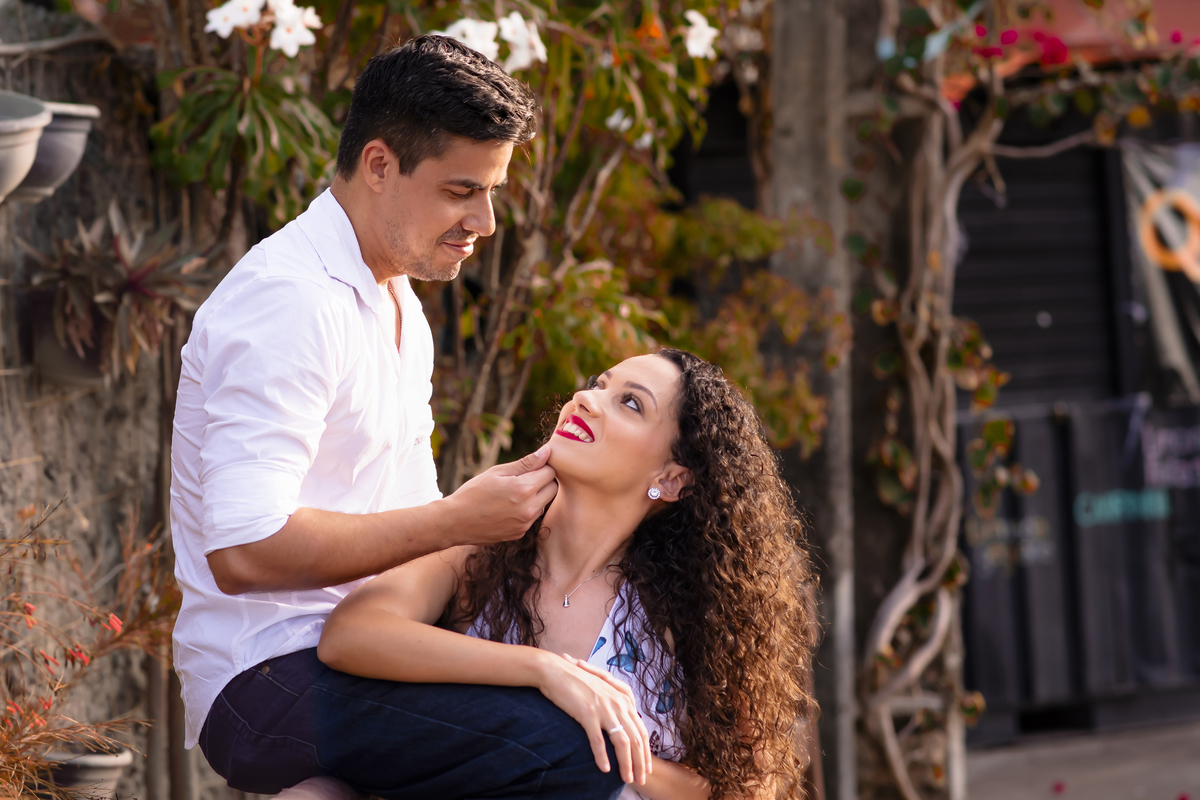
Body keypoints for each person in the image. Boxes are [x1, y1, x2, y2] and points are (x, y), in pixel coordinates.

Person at [170, 36, 626, 798]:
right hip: (266, 677)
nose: (483, 220)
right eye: (460, 190)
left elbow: (415, 539)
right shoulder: (290, 301)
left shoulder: (398, 306)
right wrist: (456, 520)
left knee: (606, 704)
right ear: (379, 165)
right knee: (571, 746)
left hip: (373, 647)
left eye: (492, 192)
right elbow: (243, 551)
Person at [317, 349, 819, 800]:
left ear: (670, 479)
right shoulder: (482, 550)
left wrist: (610, 753)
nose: (586, 399)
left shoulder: (693, 611)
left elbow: (751, 791)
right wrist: (542, 672)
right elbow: (348, 635)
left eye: (630, 404)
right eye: (598, 384)